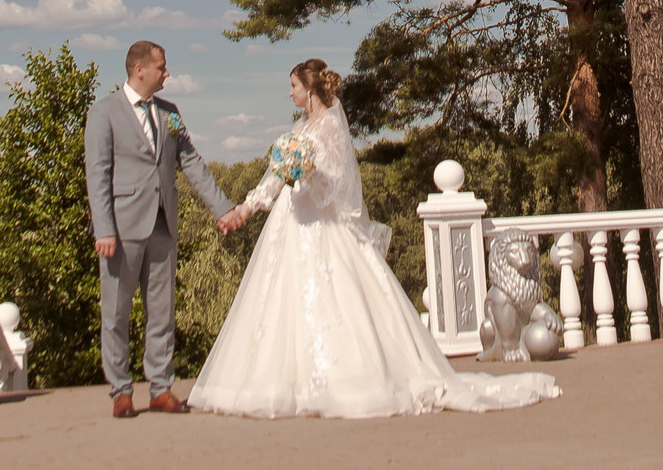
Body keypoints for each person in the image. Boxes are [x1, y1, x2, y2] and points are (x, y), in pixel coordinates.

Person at [188, 57, 562, 418]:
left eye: (293, 87)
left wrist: (308, 173)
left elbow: (338, 183)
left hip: (324, 225)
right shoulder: (297, 133)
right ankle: (283, 384)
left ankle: (347, 380)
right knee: (279, 300)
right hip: (290, 224)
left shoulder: (330, 128)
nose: (290, 94)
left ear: (311, 90)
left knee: (338, 300)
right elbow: (274, 179)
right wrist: (246, 208)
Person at [84, 39, 234, 418]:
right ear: (140, 70)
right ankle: (120, 391)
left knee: (162, 312)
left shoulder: (170, 112)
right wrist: (103, 227)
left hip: (164, 222)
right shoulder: (103, 113)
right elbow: (97, 175)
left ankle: (161, 388)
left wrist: (223, 208)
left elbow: (192, 163)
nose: (167, 73)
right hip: (120, 228)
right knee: (116, 312)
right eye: (162, 67)